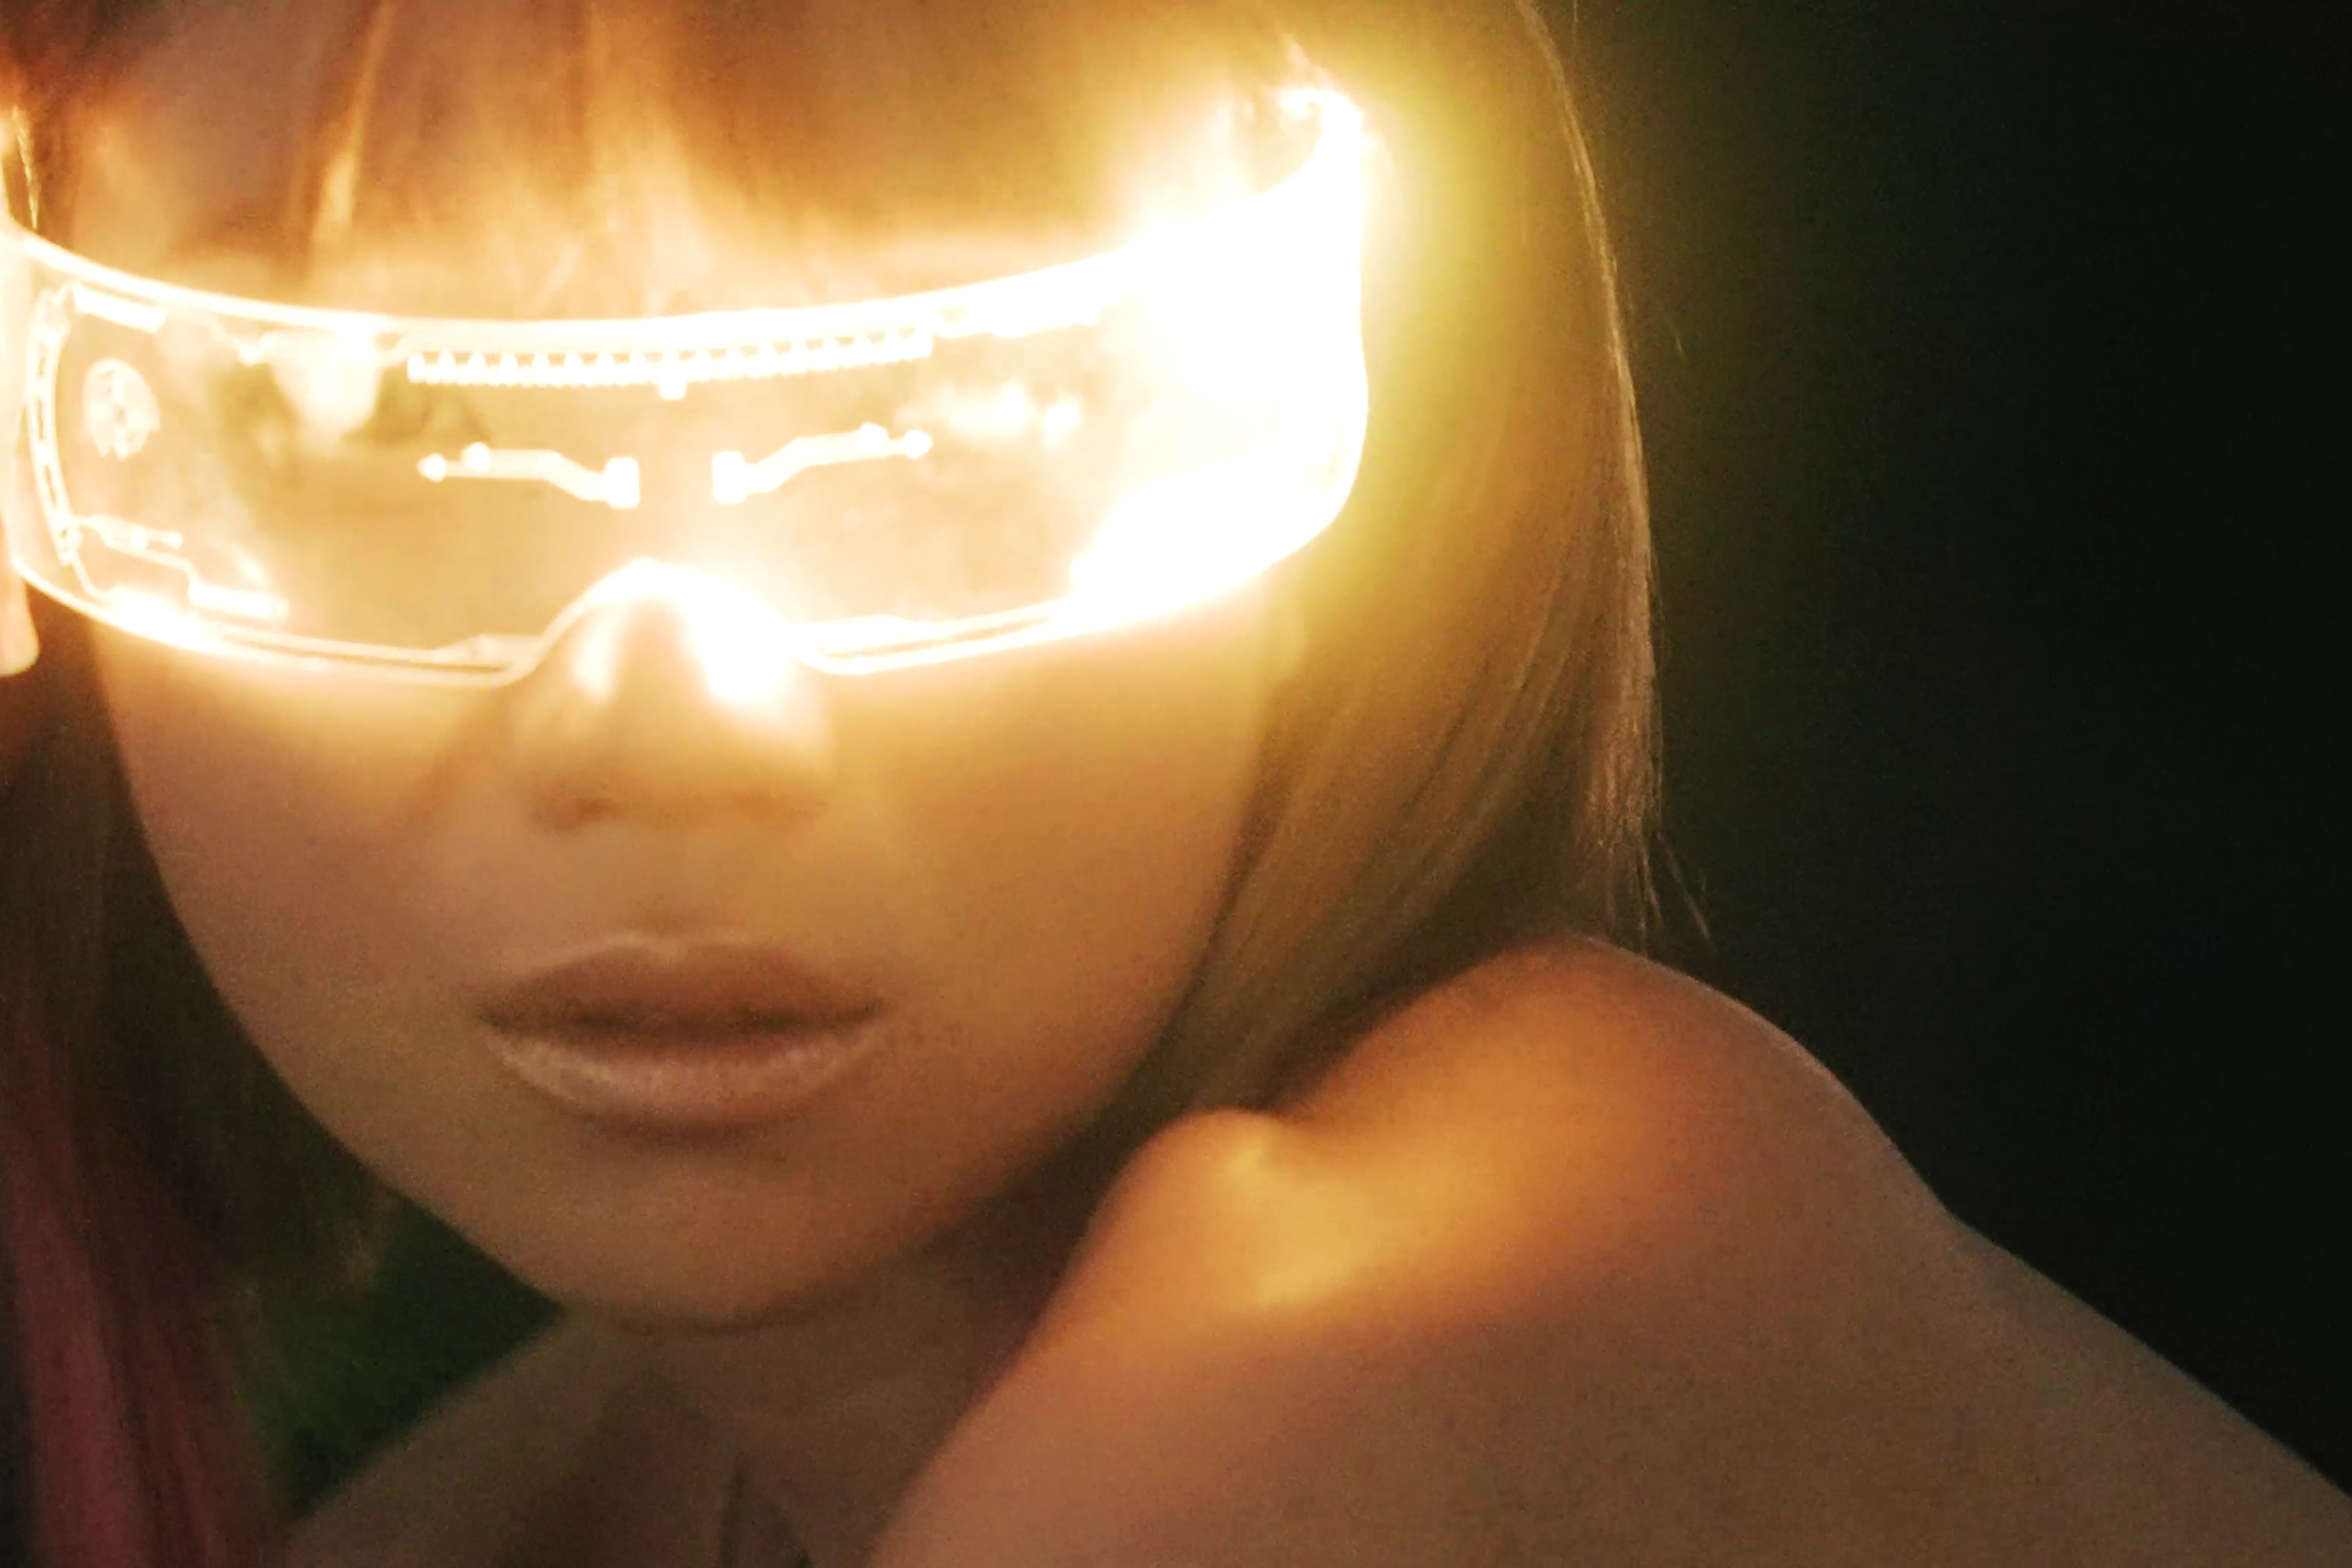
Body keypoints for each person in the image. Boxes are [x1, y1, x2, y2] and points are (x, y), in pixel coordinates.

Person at [2, 1, 2348, 1565]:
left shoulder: (1405, 1332)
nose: (677, 716)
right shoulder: (654, 1450)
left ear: (1357, 420)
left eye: (953, 422)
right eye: (376, 428)